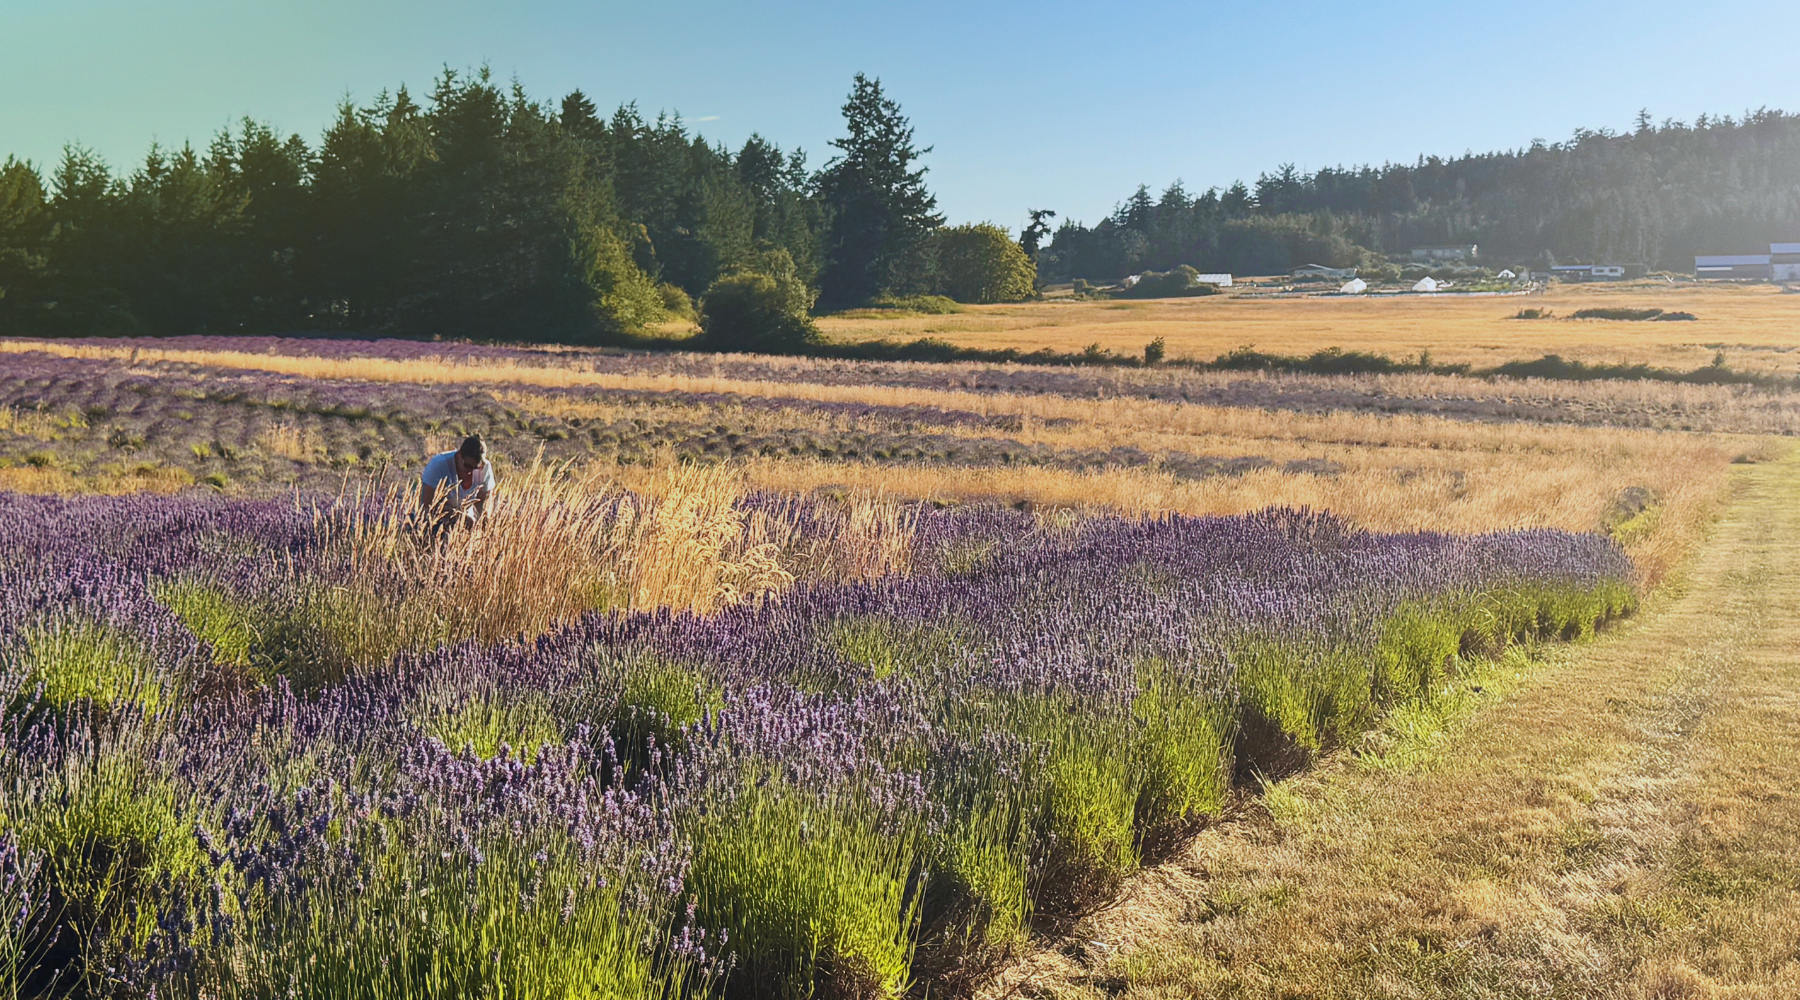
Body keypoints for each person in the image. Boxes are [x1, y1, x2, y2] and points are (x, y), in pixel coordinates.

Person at [419, 435, 496, 535]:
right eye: (468, 466)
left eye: (476, 468)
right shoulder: (437, 465)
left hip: (466, 524)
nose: (471, 472)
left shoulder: (484, 468)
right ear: (459, 455)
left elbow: (482, 503)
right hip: (435, 522)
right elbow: (426, 506)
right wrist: (458, 517)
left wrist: (484, 523)